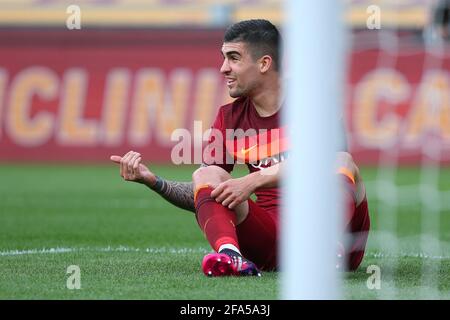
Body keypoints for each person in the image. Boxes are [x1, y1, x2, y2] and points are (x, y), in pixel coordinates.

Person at [110, 19, 370, 277]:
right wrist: (155, 182)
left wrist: (254, 180)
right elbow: (207, 193)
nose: (223, 68)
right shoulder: (229, 118)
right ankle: (231, 257)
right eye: (223, 58)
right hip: (273, 239)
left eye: (233, 58)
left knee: (340, 161)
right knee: (206, 174)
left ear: (264, 63)